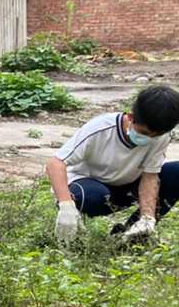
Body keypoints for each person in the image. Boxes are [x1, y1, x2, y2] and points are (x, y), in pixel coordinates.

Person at [51, 85, 179, 245]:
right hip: (89, 186)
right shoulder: (101, 128)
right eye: (145, 133)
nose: (150, 139)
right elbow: (55, 163)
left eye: (156, 135)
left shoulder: (161, 136)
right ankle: (71, 227)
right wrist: (65, 205)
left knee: (176, 172)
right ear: (131, 117)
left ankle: (132, 234)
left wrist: (148, 216)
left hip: (126, 188)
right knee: (91, 196)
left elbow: (150, 176)